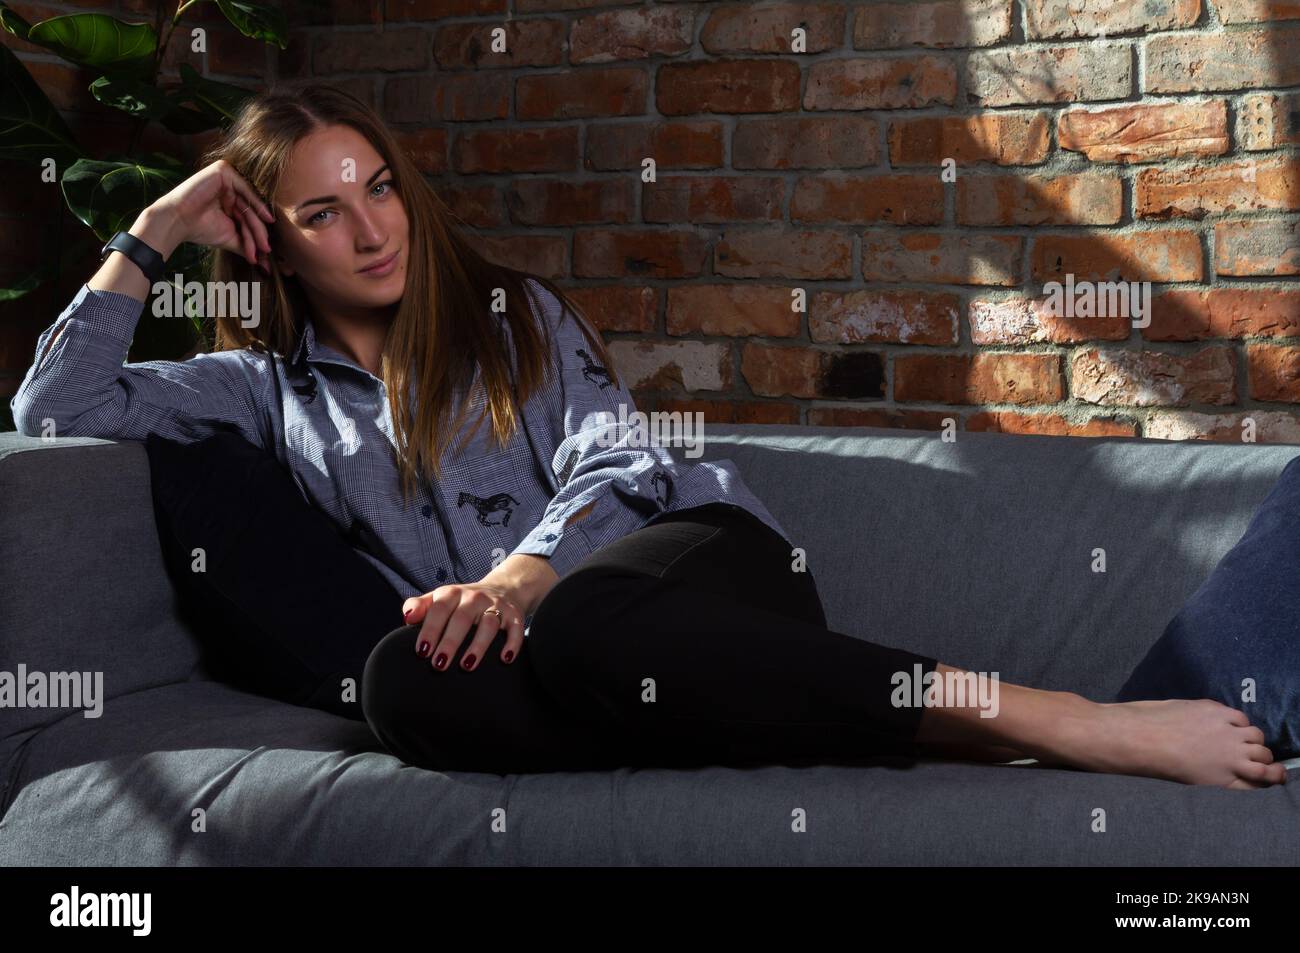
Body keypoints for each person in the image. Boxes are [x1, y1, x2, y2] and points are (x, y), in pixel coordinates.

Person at [10, 84, 1286, 790]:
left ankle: (1046, 718)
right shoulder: (253, 389)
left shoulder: (507, 313)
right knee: (398, 688)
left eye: (381, 186)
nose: (372, 227)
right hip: (558, 656)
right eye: (323, 211)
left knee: (579, 627)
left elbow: (623, 460)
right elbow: (49, 413)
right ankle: (776, 719)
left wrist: (523, 572)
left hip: (692, 565)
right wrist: (157, 227)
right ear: (269, 237)